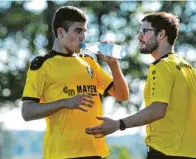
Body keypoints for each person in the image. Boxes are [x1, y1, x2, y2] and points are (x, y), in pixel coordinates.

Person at [85, 12, 196, 159]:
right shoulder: (189, 69)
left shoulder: (161, 66)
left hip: (164, 152)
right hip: (192, 154)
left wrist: (118, 124)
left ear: (161, 34)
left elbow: (157, 110)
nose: (139, 37)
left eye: (144, 31)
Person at [21, 6, 129, 159]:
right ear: (60, 32)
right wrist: (64, 102)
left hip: (95, 152)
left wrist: (113, 65)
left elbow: (122, 95)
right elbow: (27, 112)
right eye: (78, 31)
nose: (83, 37)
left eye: (85, 31)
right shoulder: (42, 65)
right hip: (62, 154)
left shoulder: (89, 62)